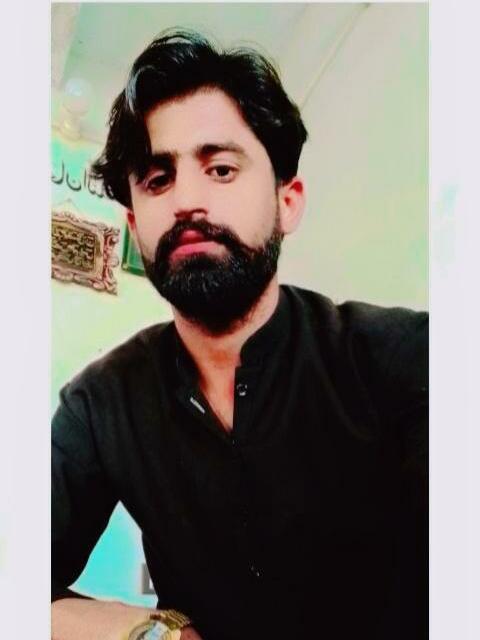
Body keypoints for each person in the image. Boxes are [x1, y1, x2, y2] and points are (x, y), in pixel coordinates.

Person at [52, 29, 428, 640]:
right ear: (134, 225)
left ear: (288, 201)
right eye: (157, 179)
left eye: (221, 169)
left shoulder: (408, 359)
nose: (187, 200)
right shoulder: (99, 405)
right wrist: (158, 634)